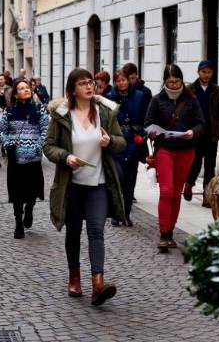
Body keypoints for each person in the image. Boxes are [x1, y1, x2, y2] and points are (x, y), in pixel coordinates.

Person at [43, 68, 126, 307]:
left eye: (91, 83)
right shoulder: (62, 115)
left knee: (96, 231)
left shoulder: (105, 112)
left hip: (98, 183)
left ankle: (98, 284)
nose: (89, 87)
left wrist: (109, 141)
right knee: (73, 232)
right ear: (73, 89)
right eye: (83, 84)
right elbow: (48, 147)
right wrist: (66, 156)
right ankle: (74, 277)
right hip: (71, 185)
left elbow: (121, 142)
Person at [145, 64, 204, 250]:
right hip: (165, 149)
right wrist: (152, 133)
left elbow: (201, 123)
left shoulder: (191, 99)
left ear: (182, 80)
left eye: (177, 81)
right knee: (167, 191)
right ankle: (163, 233)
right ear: (165, 82)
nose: (174, 85)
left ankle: (170, 233)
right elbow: (147, 123)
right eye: (170, 82)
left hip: (186, 150)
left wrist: (192, 132)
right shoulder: (157, 100)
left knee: (176, 193)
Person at [0, 79, 49, 239]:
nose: (26, 90)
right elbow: (2, 130)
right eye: (21, 88)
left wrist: (38, 146)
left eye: (27, 87)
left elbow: (45, 130)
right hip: (15, 158)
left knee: (32, 190)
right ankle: (18, 224)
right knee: (16, 193)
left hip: (33, 158)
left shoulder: (38, 108)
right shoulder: (10, 111)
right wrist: (7, 143)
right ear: (15, 93)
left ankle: (29, 209)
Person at [106, 69, 149, 227]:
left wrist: (143, 134)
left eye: (124, 80)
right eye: (119, 80)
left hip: (133, 141)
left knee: (131, 179)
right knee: (118, 177)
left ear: (128, 81)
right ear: (116, 82)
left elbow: (146, 118)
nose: (122, 83)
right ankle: (116, 212)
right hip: (117, 142)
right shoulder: (110, 98)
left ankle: (126, 213)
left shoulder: (139, 96)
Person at [184, 60, 219, 203]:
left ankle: (207, 196)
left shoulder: (217, 90)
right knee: (195, 163)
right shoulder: (190, 90)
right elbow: (185, 112)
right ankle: (189, 184)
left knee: (210, 166)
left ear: (212, 73)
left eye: (209, 72)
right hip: (196, 133)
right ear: (198, 72)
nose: (206, 75)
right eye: (203, 72)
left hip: (212, 133)